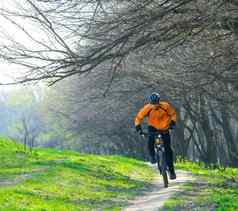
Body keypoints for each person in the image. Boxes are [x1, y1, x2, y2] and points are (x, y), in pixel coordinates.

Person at [134, 92, 177, 179]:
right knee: (150, 140)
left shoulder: (165, 106)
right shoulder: (147, 108)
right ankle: (152, 156)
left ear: (159, 101)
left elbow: (173, 114)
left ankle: (172, 172)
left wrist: (172, 124)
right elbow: (138, 118)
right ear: (150, 103)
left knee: (168, 149)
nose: (155, 106)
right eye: (153, 104)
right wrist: (139, 129)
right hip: (153, 128)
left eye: (156, 103)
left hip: (165, 128)